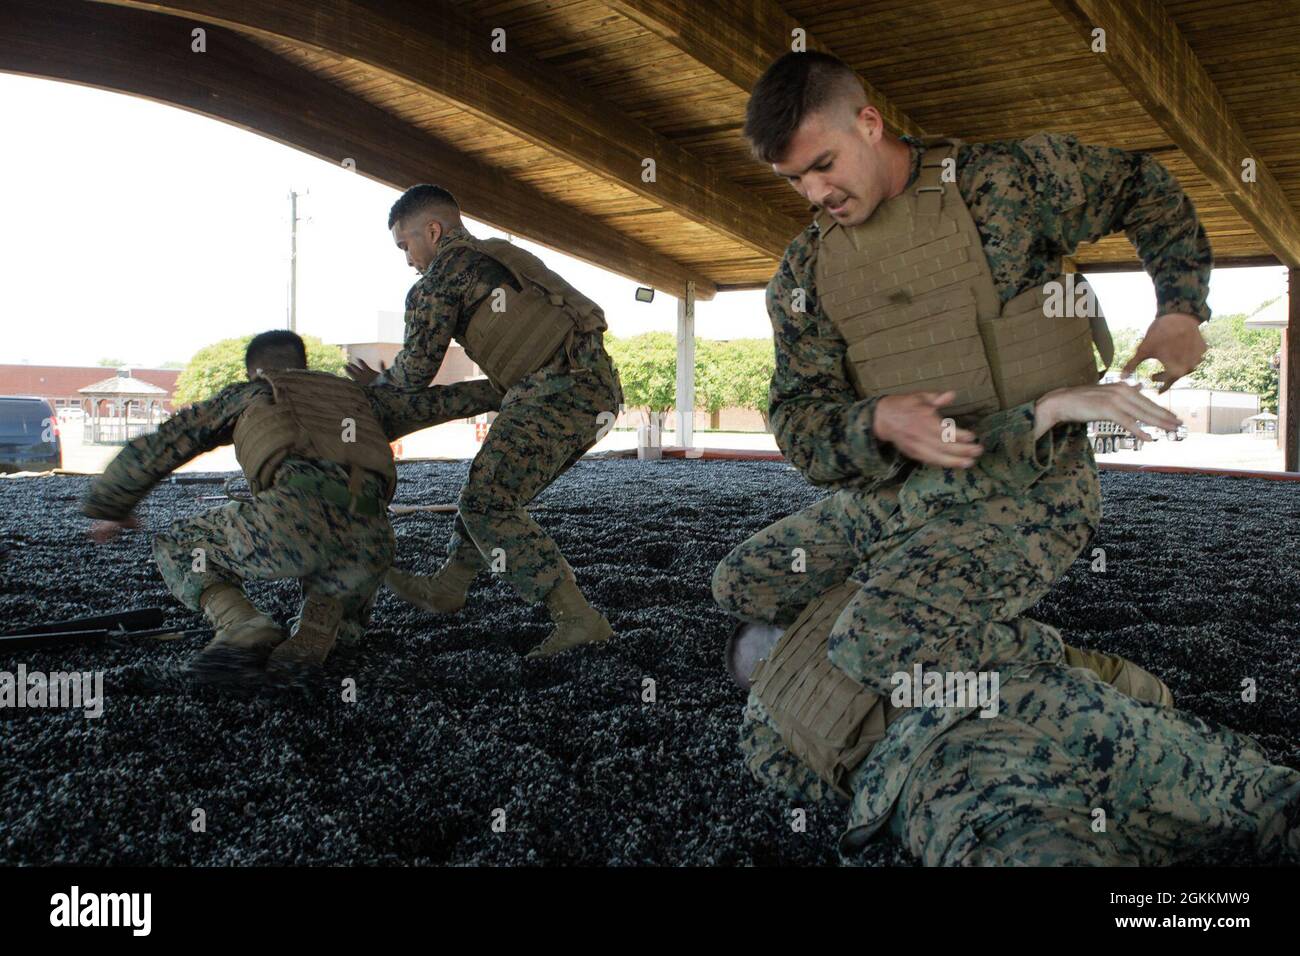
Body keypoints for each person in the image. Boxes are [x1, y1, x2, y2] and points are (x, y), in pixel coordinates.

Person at [709, 52, 1299, 864]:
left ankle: (1069, 671)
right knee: (739, 583)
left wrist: (1183, 305)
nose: (816, 194)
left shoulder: (1005, 184)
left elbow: (1141, 185)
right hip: (900, 495)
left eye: (823, 164)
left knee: (872, 641)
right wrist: (877, 421)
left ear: (869, 123)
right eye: (794, 180)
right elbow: (798, 423)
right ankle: (977, 625)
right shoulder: (806, 272)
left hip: (1027, 484)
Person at [83, 330, 499, 682]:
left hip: (293, 518)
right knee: (340, 626)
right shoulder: (360, 399)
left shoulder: (253, 393)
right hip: (372, 539)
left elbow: (170, 441)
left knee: (178, 544)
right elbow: (444, 401)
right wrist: (508, 385)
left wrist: (112, 503)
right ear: (303, 363)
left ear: (256, 371)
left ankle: (242, 623)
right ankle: (322, 622)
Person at [350, 185, 624, 658]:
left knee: (487, 503)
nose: (408, 258)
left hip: (555, 395)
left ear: (432, 231)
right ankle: (450, 586)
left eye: (405, 245)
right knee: (491, 487)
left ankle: (576, 617)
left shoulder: (439, 281)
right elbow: (494, 388)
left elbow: (415, 373)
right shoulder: (499, 258)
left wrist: (377, 386)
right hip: (593, 391)